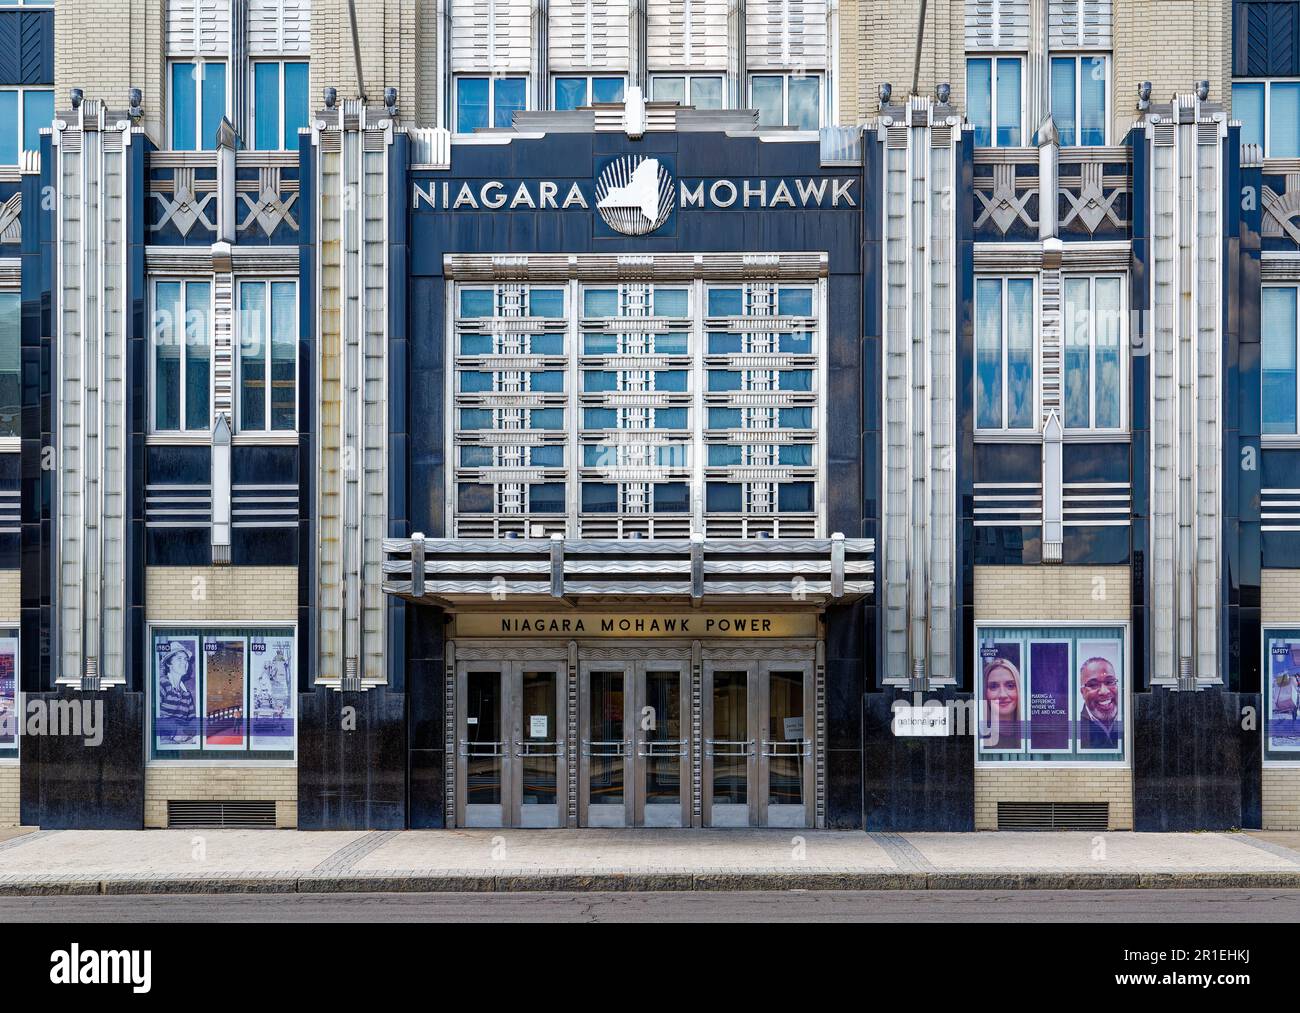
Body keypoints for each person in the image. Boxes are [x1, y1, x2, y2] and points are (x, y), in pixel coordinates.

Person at [158, 641, 197, 744]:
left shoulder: (186, 694)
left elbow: (192, 720)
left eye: (185, 659)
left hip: (181, 741)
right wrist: (174, 732)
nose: (184, 662)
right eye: (179, 658)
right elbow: (150, 719)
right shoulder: (162, 685)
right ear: (168, 663)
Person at [1078, 656, 1121, 750]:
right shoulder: (1076, 729)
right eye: (1093, 685)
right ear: (1082, 692)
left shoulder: (1128, 720)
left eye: (1110, 682)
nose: (1104, 691)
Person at [982, 656, 1021, 749]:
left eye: (1010, 685)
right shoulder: (980, 739)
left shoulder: (1032, 738)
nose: (1002, 695)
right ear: (985, 693)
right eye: (994, 686)